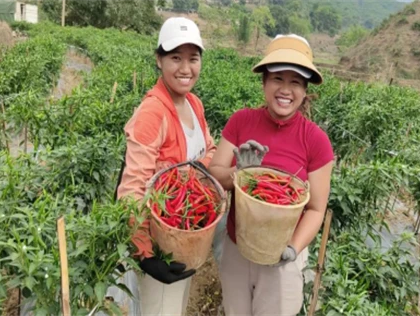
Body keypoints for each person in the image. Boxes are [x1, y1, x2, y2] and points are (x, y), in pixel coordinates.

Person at [208, 34, 335, 315]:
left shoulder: (316, 140)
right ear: (264, 82)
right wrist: (238, 172)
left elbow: (315, 208)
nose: (285, 89)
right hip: (237, 248)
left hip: (281, 258)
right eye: (278, 78)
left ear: (304, 91)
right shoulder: (241, 120)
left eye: (296, 82)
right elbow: (214, 175)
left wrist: (292, 249)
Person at [113, 17, 217, 315]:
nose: (185, 68)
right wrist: (145, 254)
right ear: (159, 60)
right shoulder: (153, 112)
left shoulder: (194, 103)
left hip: (184, 234)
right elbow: (132, 188)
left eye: (193, 58)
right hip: (159, 241)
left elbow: (207, 150)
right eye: (175, 58)